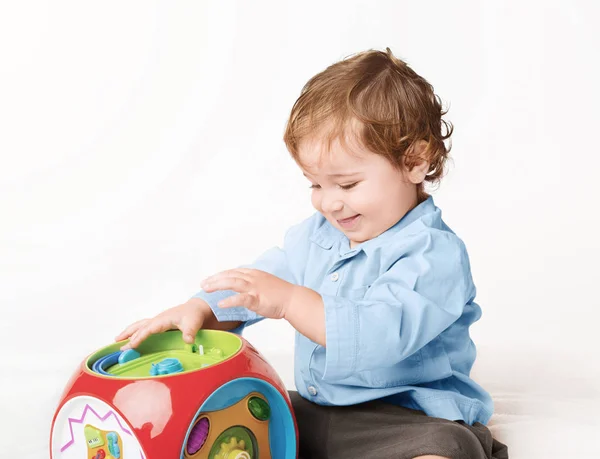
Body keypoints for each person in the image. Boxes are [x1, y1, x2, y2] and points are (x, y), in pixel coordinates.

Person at [116, 48, 508, 459]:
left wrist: (289, 301)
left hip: (408, 419)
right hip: (322, 410)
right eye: (315, 185)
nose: (329, 204)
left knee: (446, 447)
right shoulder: (318, 234)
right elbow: (258, 285)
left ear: (414, 161)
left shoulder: (433, 254)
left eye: (347, 184)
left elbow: (379, 337)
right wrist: (200, 309)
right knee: (249, 411)